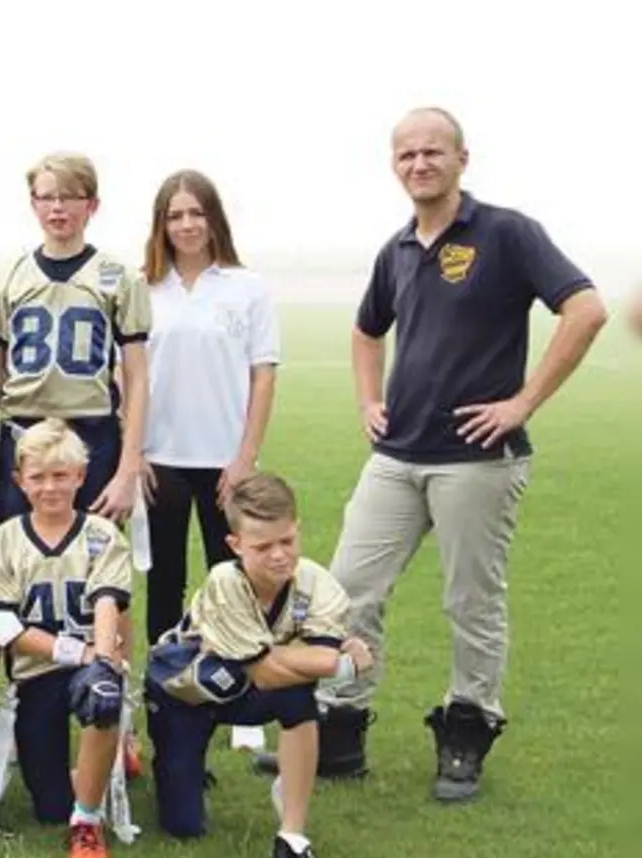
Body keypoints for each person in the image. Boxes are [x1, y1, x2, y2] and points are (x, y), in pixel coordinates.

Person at [255, 107, 610, 803]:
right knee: (347, 591)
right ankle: (342, 732)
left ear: (461, 159)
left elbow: (587, 309)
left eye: (432, 152)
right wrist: (367, 401)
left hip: (477, 460)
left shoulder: (506, 233)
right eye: (407, 154)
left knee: (471, 602)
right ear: (395, 166)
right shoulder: (397, 250)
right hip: (397, 455)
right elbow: (366, 332)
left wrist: (523, 403)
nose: (420, 163)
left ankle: (466, 735)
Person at [145, 471, 371, 858]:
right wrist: (342, 663)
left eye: (287, 541)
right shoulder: (224, 582)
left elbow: (287, 668)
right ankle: (182, 768)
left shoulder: (318, 583)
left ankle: (293, 836)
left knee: (297, 696)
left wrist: (315, 658)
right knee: (183, 825)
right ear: (235, 545)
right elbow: (266, 671)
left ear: (297, 529)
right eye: (263, 546)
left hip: (246, 686)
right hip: (186, 691)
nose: (279, 556)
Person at [0, 152, 152, 527]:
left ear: (92, 205)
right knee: (17, 557)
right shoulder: (5, 278)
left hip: (93, 434)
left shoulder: (121, 278)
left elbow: (138, 377)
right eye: (47, 197)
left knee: (93, 559)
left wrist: (128, 470)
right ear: (33, 203)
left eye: (70, 196)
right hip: (23, 431)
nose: (58, 207)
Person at [0, 418, 135, 858]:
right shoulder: (4, 540)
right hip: (38, 672)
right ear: (19, 481)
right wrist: (76, 651)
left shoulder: (102, 535)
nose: (50, 487)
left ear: (81, 477)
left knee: (102, 695)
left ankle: (87, 821)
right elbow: (6, 628)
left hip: (89, 665)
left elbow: (108, 602)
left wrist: (102, 661)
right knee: (48, 806)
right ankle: (93, 770)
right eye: (39, 477)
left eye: (61, 476)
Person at [140, 169, 281, 646]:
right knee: (164, 582)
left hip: (227, 461)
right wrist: (134, 451)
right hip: (161, 459)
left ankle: (241, 698)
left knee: (234, 582)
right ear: (161, 224)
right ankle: (164, 689)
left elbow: (263, 375)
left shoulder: (247, 287)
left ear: (214, 218)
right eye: (174, 215)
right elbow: (126, 377)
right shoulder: (144, 289)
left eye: (196, 212)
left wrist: (244, 458)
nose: (186, 225)